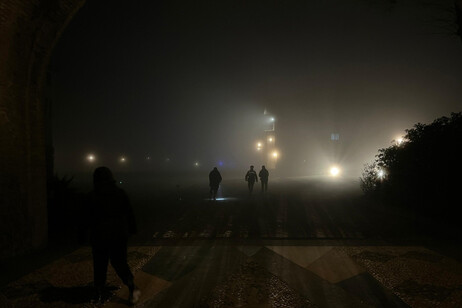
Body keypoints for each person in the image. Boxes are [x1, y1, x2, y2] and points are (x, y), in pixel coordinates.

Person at [87, 167, 140, 305]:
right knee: (119, 263)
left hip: (101, 236)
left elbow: (86, 218)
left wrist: (84, 235)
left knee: (100, 265)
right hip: (117, 235)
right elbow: (129, 213)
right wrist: (132, 229)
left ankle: (99, 291)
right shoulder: (119, 193)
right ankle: (132, 287)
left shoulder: (93, 196)